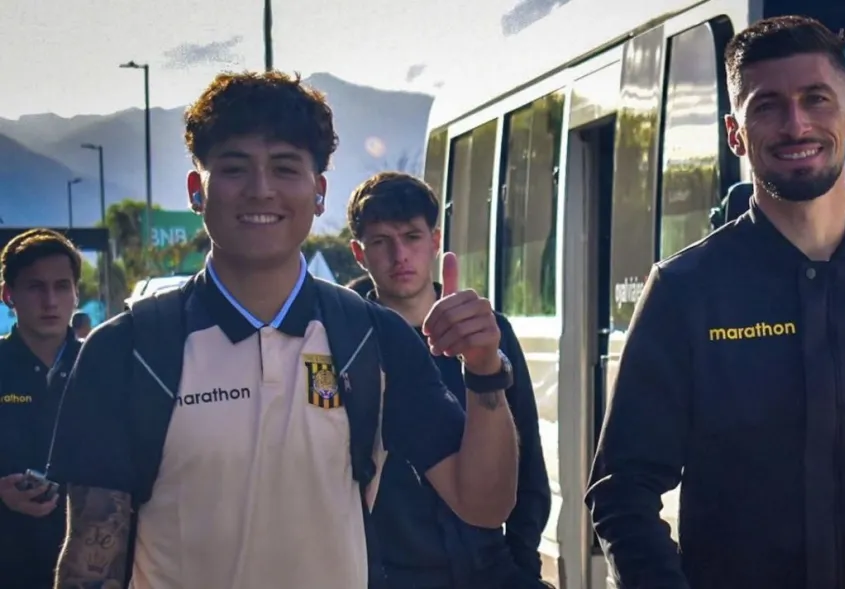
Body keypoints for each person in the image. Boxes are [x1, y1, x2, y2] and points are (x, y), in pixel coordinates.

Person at [48, 71, 520, 589]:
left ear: (318, 192)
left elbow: (482, 504)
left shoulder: (371, 336)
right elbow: (90, 561)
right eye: (234, 167)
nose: (260, 189)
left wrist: (483, 372)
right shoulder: (127, 350)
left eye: (284, 167)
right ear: (196, 191)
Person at [585, 15, 845, 589]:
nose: (795, 123)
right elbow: (621, 488)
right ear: (736, 133)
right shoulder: (686, 290)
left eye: (816, 99)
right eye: (767, 106)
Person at [347, 172, 552, 589]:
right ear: (358, 253)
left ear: (436, 242)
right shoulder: (344, 339)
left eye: (412, 237)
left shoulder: (484, 330)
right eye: (381, 241)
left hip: (490, 571)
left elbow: (528, 457)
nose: (399, 255)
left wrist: (522, 568)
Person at [0, 229, 84, 589]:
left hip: (90, 566)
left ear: (76, 293)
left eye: (62, 286)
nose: (50, 301)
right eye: (35, 287)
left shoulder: (107, 364)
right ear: (8, 295)